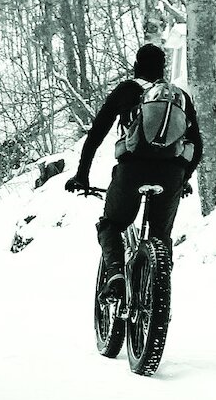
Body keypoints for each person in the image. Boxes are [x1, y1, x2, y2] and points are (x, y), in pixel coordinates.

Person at [64, 43, 203, 298]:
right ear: (162, 70)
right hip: (171, 174)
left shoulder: (126, 90)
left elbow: (95, 137)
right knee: (160, 237)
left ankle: (116, 273)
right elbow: (198, 146)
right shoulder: (178, 97)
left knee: (112, 225)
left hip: (132, 171)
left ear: (136, 66)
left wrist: (82, 175)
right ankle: (159, 292)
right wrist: (184, 177)